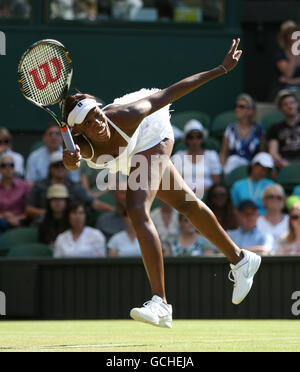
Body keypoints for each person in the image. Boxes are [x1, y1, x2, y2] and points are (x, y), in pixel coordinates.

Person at [62, 39, 262, 328]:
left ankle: (160, 303)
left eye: (98, 114)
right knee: (186, 204)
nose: (99, 122)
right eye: (91, 123)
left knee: (136, 207)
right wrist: (70, 160)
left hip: (152, 133)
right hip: (126, 154)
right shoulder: (77, 145)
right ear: (79, 131)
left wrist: (221, 69)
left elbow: (171, 92)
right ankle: (241, 258)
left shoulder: (124, 115)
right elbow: (69, 162)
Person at [26, 151, 113, 222]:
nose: (60, 168)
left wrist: (114, 211)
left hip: (69, 226)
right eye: (56, 166)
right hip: (45, 224)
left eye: (63, 165)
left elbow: (94, 203)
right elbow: (29, 209)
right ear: (50, 168)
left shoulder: (74, 187)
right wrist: (51, 213)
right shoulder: (40, 186)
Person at [219, 93, 265, 175]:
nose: (237, 109)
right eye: (236, 106)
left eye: (241, 107)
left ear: (251, 111)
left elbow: (262, 154)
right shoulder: (230, 129)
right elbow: (223, 154)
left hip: (251, 169)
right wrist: (222, 170)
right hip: (231, 169)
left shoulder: (259, 130)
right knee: (233, 159)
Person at [172, 119, 222, 194]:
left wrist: (199, 191)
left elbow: (216, 183)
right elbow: (175, 183)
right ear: (186, 139)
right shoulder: (178, 156)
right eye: (191, 137)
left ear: (202, 138)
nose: (194, 141)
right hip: (183, 196)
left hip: (208, 196)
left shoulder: (211, 155)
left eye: (198, 136)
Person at [267, 90, 300, 167]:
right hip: (285, 163)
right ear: (281, 108)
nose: (289, 106)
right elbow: (273, 152)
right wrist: (283, 162)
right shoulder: (275, 128)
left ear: (297, 104)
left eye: (292, 102)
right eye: (285, 104)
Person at [0, 154, 32, 233]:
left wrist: (17, 219)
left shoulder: (25, 186)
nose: (8, 168)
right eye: (4, 165)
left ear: (14, 167)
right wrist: (5, 216)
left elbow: (30, 209)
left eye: (11, 165)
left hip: (22, 220)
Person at [257, 184, 289, 252]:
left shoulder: (293, 220)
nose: (275, 200)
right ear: (263, 200)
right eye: (271, 197)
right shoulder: (256, 221)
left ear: (283, 201)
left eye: (279, 197)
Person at [275, 20, 300, 91]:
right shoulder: (280, 55)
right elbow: (288, 74)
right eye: (291, 33)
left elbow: (287, 78)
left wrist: (291, 81)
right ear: (286, 37)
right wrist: (294, 51)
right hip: (287, 91)